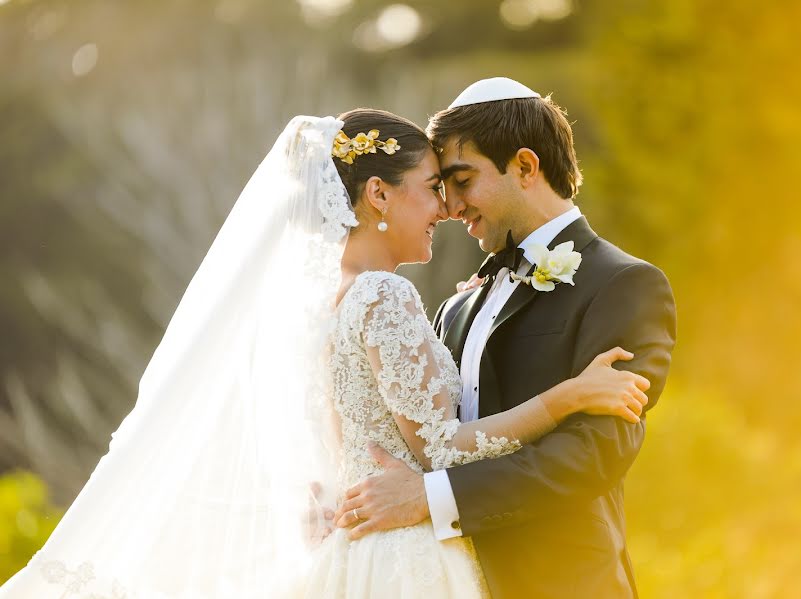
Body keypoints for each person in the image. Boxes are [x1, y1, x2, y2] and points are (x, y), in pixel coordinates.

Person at [0, 106, 649, 598]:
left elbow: (350, 448)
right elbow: (443, 448)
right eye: (431, 187)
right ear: (378, 195)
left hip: (358, 550)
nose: (445, 208)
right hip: (406, 556)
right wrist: (568, 396)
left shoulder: (329, 303)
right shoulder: (382, 297)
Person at [332, 78, 677, 598]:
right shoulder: (457, 305)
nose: (449, 207)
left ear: (524, 167)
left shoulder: (624, 285)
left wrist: (431, 498)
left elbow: (593, 454)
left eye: (462, 180)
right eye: (440, 187)